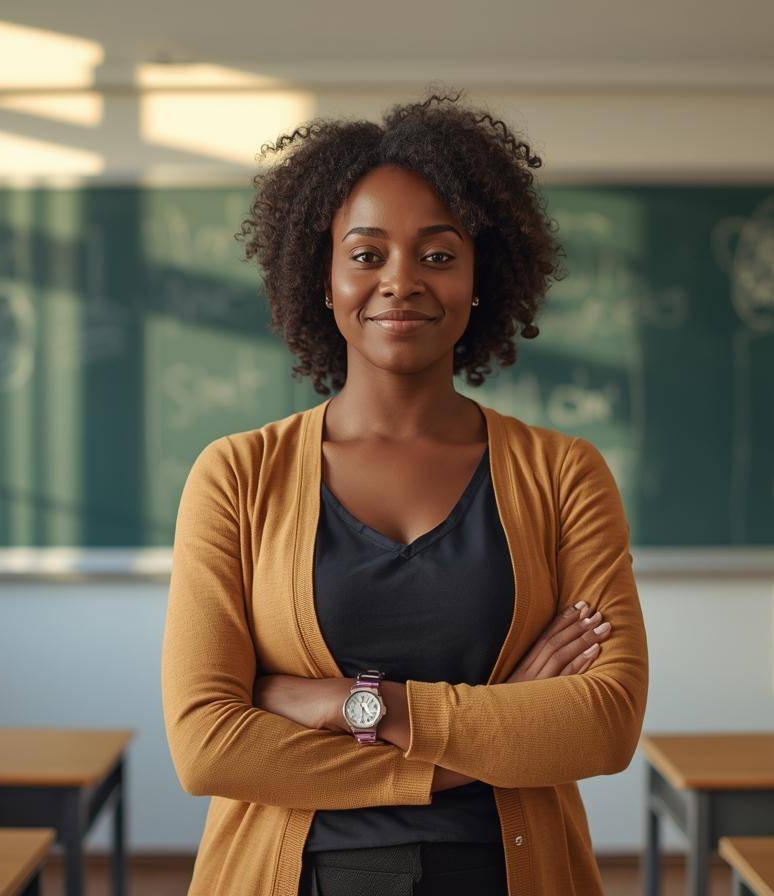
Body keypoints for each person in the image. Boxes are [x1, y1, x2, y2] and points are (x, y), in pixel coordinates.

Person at [161, 89, 648, 896]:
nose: (401, 280)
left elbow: (602, 723)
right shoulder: (236, 477)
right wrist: (484, 741)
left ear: (479, 278)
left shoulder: (564, 475)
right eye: (366, 253)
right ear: (322, 280)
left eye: (438, 253)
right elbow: (208, 745)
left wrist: (358, 705)